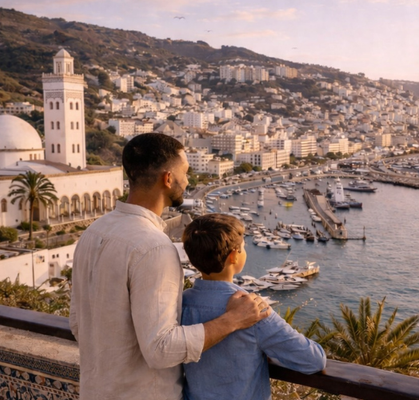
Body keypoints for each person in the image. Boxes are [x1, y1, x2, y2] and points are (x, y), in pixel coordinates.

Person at [69, 133, 271, 400]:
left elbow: (76, 323)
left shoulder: (94, 231)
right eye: (185, 173)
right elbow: (161, 349)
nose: (187, 181)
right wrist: (232, 320)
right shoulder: (154, 248)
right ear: (167, 178)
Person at [181, 214, 327, 400]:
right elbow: (313, 360)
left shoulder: (180, 304)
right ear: (233, 256)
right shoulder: (252, 310)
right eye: (243, 248)